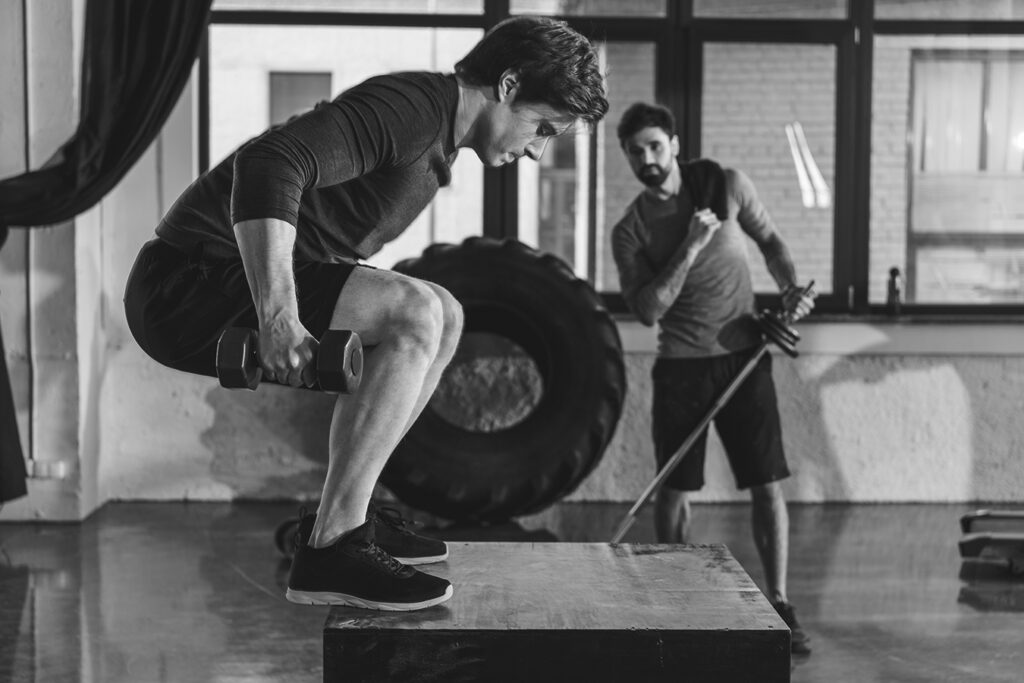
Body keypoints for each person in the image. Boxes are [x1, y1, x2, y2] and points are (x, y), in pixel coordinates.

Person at [124, 16, 608, 611]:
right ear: (508, 85)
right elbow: (269, 162)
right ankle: (335, 546)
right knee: (417, 313)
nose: (537, 150)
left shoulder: (436, 136)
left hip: (215, 279)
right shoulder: (413, 108)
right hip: (184, 283)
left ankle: (348, 518)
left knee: (446, 314)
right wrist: (279, 317)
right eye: (542, 128)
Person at [610, 102, 814, 654]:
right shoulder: (629, 230)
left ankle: (779, 602)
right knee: (675, 490)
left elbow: (770, 241)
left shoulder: (725, 185)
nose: (647, 159)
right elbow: (648, 310)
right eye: (635, 151)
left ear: (674, 144)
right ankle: (676, 604)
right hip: (681, 366)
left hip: (744, 357)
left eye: (655, 146)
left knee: (766, 483)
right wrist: (690, 246)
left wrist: (789, 289)